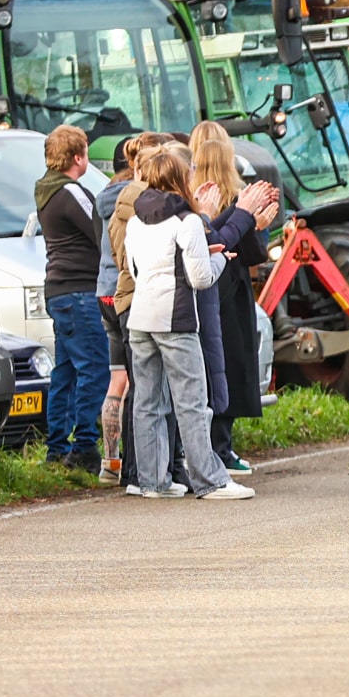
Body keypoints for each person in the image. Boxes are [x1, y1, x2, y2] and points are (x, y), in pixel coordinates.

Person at [121, 149, 251, 500]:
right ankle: (210, 480)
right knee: (192, 403)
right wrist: (220, 259)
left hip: (141, 317)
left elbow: (134, 271)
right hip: (176, 319)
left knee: (147, 403)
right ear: (180, 179)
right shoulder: (187, 220)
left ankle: (152, 481)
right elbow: (200, 278)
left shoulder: (135, 221)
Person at [190, 123, 276, 472]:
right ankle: (221, 447)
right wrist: (255, 224)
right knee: (230, 366)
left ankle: (209, 448)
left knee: (207, 368)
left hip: (203, 290)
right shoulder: (237, 199)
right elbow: (250, 252)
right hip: (230, 288)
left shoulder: (191, 198)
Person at [34, 125, 106, 473]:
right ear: (78, 157)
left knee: (65, 372)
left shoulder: (45, 191)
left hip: (59, 291)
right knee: (94, 368)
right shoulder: (71, 191)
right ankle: (85, 446)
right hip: (80, 290)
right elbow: (101, 233)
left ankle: (57, 448)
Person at [98, 134, 163, 487]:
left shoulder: (105, 194)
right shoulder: (141, 196)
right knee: (140, 382)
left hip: (104, 290)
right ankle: (139, 465)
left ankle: (110, 461)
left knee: (117, 378)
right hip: (129, 289)